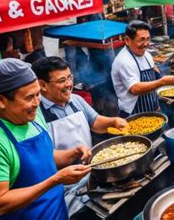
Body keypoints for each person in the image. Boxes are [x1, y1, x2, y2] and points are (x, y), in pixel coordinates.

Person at [0, 58, 90, 219]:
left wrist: (73, 153)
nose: (37, 102)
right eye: (30, 97)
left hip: (58, 213)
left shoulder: (33, 115)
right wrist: (55, 180)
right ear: (0, 100)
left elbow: (44, 156)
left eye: (38, 94)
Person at [31, 56, 128, 215]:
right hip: (63, 184)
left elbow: (95, 122)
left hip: (91, 173)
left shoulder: (76, 100)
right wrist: (75, 153)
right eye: (62, 80)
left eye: (70, 77)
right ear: (42, 85)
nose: (69, 84)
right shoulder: (35, 115)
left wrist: (113, 121)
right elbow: (44, 156)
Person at [111, 21, 174, 117]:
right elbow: (135, 88)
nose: (146, 44)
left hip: (152, 109)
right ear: (127, 40)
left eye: (148, 39)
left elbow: (154, 71)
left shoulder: (146, 54)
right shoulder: (124, 61)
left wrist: (158, 101)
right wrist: (162, 82)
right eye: (141, 40)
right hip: (133, 114)